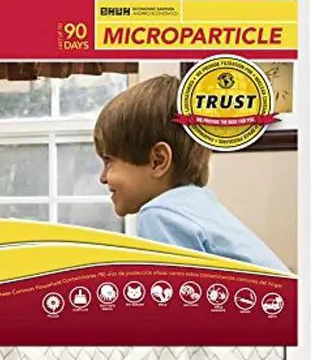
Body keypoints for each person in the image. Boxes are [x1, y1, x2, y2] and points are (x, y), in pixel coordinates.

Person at [93, 74, 288, 271]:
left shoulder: (161, 215)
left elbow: (172, 289)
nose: (102, 178)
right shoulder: (195, 206)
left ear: (158, 161)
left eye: (109, 161)